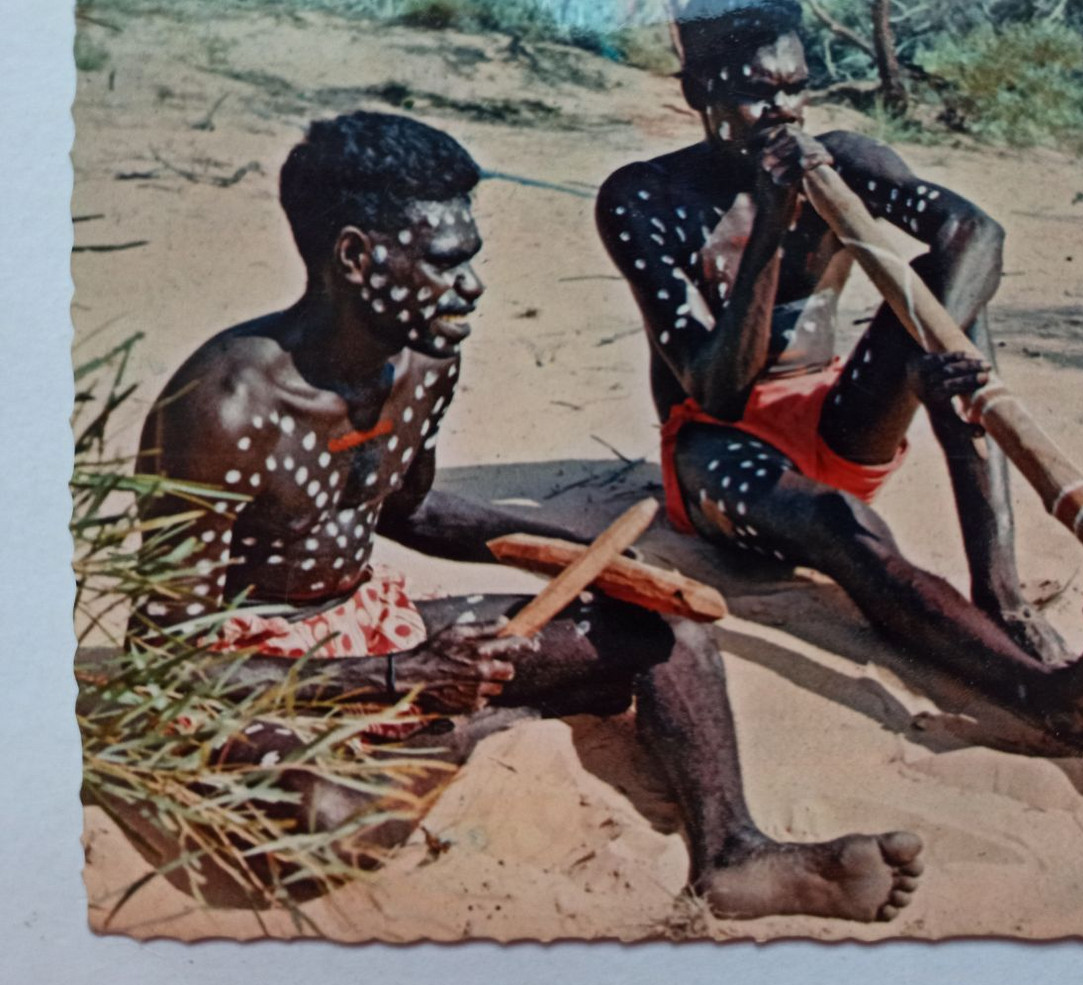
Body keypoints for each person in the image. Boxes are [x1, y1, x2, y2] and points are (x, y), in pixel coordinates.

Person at [130, 110, 923, 923]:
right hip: (261, 679)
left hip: (377, 631)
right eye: (443, 264)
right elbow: (168, 665)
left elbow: (408, 508)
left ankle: (732, 853)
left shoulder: (425, 357)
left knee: (667, 634)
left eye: (471, 260)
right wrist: (404, 679)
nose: (470, 286)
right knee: (327, 825)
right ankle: (465, 729)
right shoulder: (221, 408)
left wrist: (591, 558)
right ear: (356, 257)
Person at [596, 0, 1083, 748]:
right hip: (715, 449)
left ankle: (999, 595)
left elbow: (975, 237)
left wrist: (938, 349)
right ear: (699, 92)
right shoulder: (642, 199)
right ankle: (1050, 695)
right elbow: (718, 392)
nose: (784, 113)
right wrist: (770, 226)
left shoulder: (845, 159)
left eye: (796, 89)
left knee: (956, 304)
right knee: (844, 527)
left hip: (839, 418)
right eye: (759, 94)